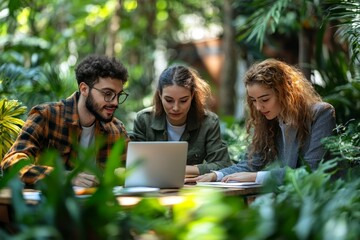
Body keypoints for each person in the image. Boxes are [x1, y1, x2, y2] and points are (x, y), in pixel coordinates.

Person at [187, 58, 336, 184]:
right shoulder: (269, 120)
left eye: (265, 99)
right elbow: (252, 163)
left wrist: (256, 177)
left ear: (285, 93)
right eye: (253, 100)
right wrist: (216, 175)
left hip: (323, 202)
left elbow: (311, 170)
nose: (258, 107)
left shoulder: (321, 114)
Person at [1, 55, 129, 187]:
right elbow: (11, 163)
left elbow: (134, 173)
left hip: (97, 205)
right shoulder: (46, 115)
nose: (115, 102)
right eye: (108, 94)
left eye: (118, 95)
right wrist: (61, 176)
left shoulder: (116, 129)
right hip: (49, 204)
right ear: (84, 89)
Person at [130, 65, 232, 176]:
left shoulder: (208, 122)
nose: (176, 108)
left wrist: (179, 170)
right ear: (160, 95)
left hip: (191, 189)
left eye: (183, 101)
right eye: (169, 100)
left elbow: (223, 165)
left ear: (192, 95)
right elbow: (134, 166)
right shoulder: (144, 120)